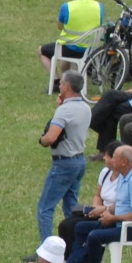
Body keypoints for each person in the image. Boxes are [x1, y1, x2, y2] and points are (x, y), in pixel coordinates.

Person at [35, 70, 92, 242]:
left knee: (45, 208)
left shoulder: (65, 111)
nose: (59, 86)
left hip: (64, 164)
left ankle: (46, 249)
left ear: (67, 86)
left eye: (61, 84)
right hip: (79, 161)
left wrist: (42, 140)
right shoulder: (85, 107)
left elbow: (51, 138)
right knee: (71, 208)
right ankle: (73, 245)